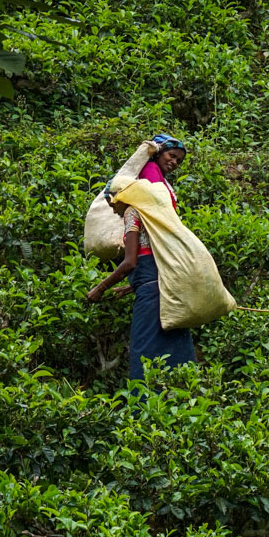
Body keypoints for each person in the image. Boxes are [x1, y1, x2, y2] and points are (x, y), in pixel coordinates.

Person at [84, 176, 196, 384]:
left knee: (143, 349)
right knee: (174, 347)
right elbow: (155, 260)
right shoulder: (151, 214)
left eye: (111, 200)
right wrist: (131, 286)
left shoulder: (131, 213)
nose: (111, 207)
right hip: (167, 289)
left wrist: (100, 288)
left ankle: (142, 406)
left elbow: (130, 263)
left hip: (151, 296)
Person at [138, 134, 187, 205]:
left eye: (178, 161)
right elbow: (157, 200)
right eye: (172, 156)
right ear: (158, 153)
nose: (174, 162)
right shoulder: (151, 168)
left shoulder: (159, 175)